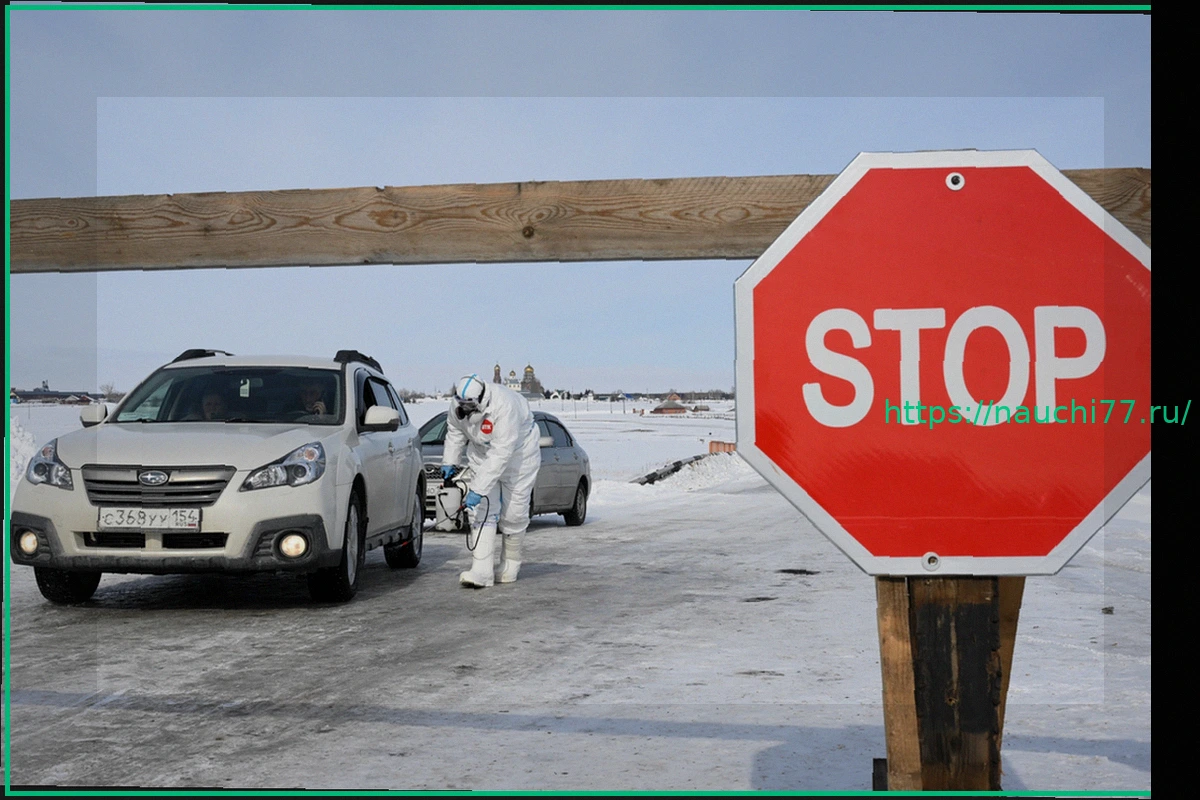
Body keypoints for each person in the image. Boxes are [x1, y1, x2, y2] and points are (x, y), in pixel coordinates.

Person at [442, 373, 541, 588]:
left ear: (481, 399)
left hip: (519, 457)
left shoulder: (505, 406)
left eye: (470, 405)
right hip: (481, 454)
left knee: (514, 513)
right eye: (462, 405)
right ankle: (481, 571)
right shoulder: (457, 406)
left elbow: (501, 453)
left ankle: (510, 564)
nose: (465, 409)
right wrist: (450, 461)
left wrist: (478, 489)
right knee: (482, 510)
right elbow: (455, 432)